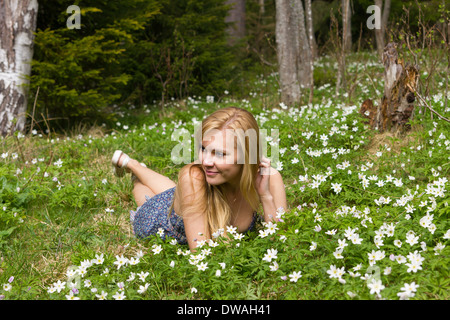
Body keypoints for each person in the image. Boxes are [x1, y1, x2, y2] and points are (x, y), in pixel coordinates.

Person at [111, 107, 287, 250]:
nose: (206, 161)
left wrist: (265, 196)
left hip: (186, 198)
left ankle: (133, 165)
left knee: (171, 190)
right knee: (147, 198)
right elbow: (202, 252)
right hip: (159, 219)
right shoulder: (195, 177)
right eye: (204, 149)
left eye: (220, 154)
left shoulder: (268, 178)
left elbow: (283, 242)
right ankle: (133, 169)